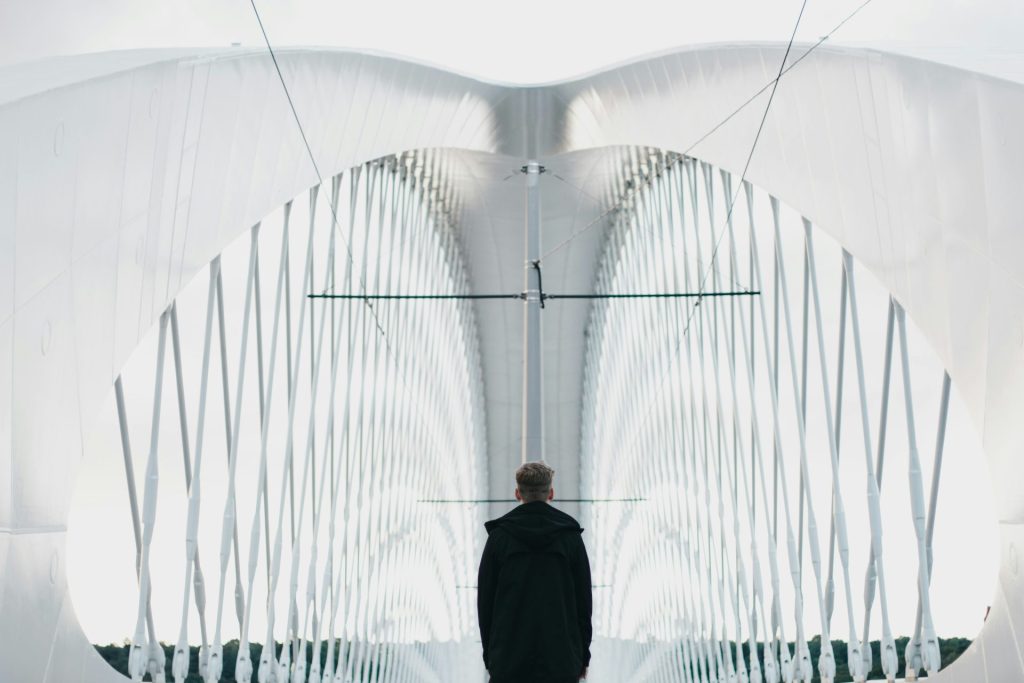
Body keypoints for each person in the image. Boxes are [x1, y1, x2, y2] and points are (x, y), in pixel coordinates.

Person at [477, 461, 593, 682]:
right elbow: (583, 603)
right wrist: (583, 657)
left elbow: (485, 603)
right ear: (551, 493)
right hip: (562, 659)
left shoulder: (499, 538)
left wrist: (490, 657)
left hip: (508, 660)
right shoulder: (570, 537)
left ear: (517, 493)